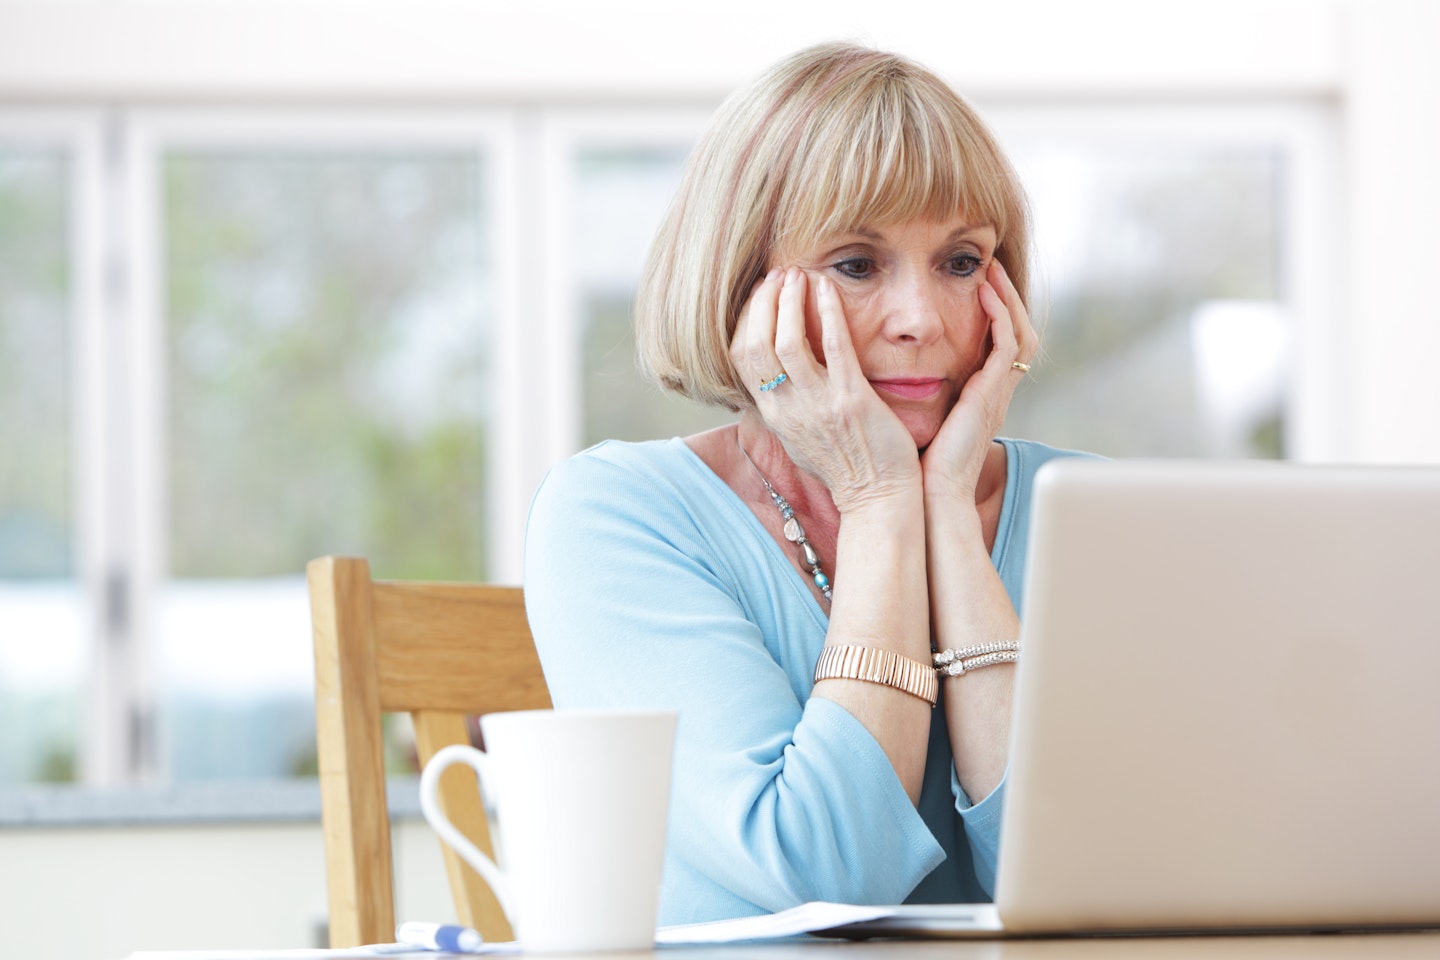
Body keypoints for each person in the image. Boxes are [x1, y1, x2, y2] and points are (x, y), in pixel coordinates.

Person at [523, 41, 1095, 925]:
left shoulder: (1084, 511)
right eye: (857, 265)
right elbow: (821, 883)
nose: (922, 322)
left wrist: (940, 506)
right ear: (744, 288)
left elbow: (1088, 887)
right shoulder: (615, 514)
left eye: (962, 262)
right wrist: (877, 503)